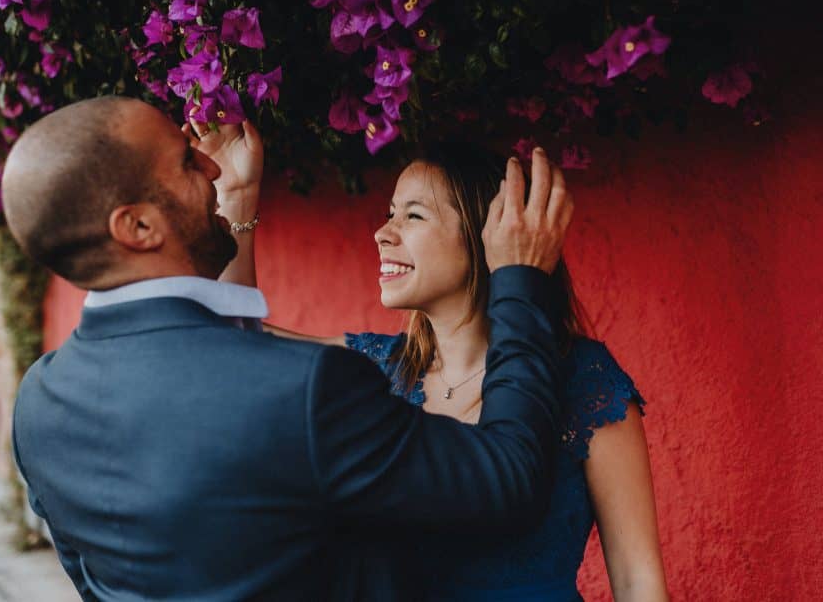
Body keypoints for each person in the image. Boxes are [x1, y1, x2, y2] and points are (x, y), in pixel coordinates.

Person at [3, 96, 578, 601]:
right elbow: (508, 480)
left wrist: (235, 205)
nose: (207, 162)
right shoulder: (308, 388)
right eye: (184, 163)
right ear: (137, 228)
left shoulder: (38, 403)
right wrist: (520, 279)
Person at [210, 132, 669, 601]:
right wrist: (238, 198)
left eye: (413, 215)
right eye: (390, 213)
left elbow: (638, 581)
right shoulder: (373, 371)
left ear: (483, 234)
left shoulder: (585, 380)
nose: (382, 232)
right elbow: (237, 343)